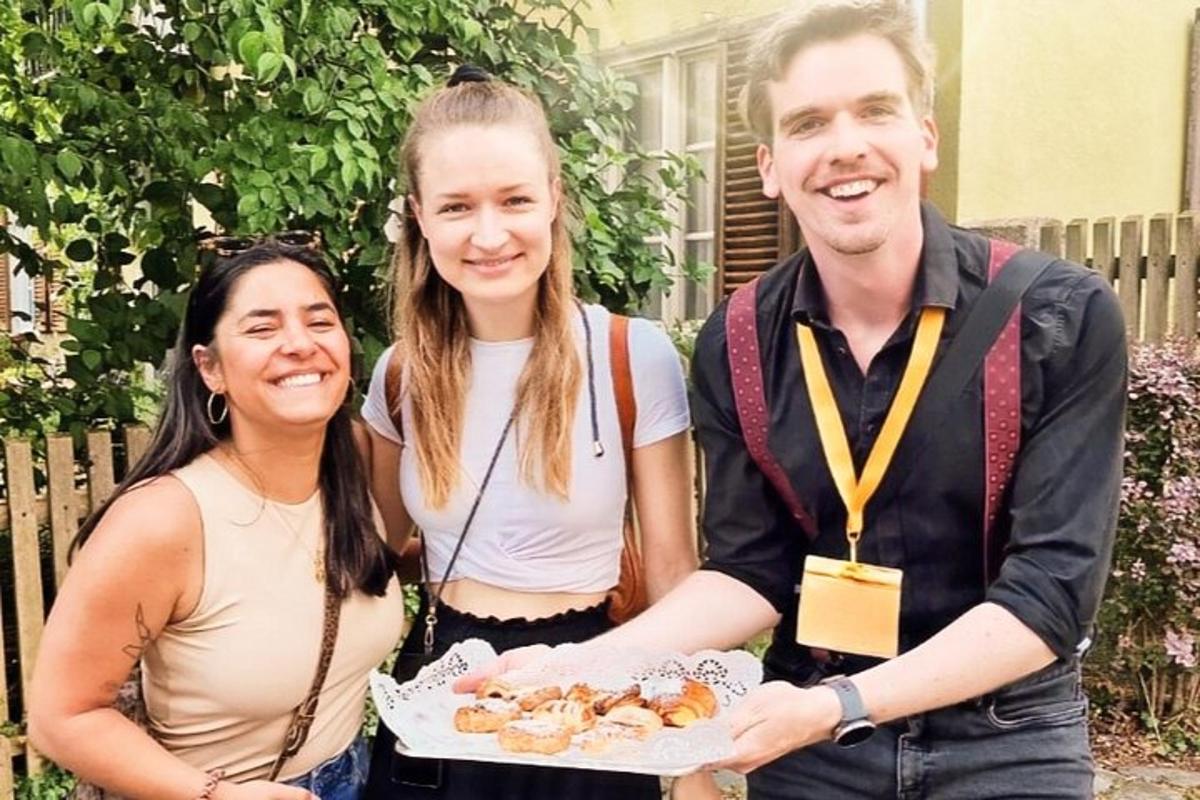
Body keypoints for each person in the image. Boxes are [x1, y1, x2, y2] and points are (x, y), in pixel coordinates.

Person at [461, 2, 1127, 798]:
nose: (846, 147)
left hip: (1007, 737)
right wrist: (587, 662)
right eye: (809, 123)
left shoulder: (1058, 317)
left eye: (875, 111)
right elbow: (752, 568)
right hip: (814, 740)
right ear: (771, 166)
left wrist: (840, 706)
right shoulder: (738, 340)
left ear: (925, 136)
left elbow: (1049, 595)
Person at [358, 66, 705, 800]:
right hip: (451, 692)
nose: (489, 235)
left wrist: (693, 761)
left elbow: (675, 573)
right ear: (420, 216)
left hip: (598, 682)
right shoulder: (400, 376)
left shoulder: (629, 356)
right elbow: (373, 558)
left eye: (514, 199)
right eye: (456, 206)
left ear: (553, 196)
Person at [29, 238, 407, 800]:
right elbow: (62, 718)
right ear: (210, 368)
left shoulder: (356, 466)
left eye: (319, 321)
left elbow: (351, 569)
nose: (300, 344)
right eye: (262, 329)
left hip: (353, 775)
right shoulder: (163, 521)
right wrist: (217, 794)